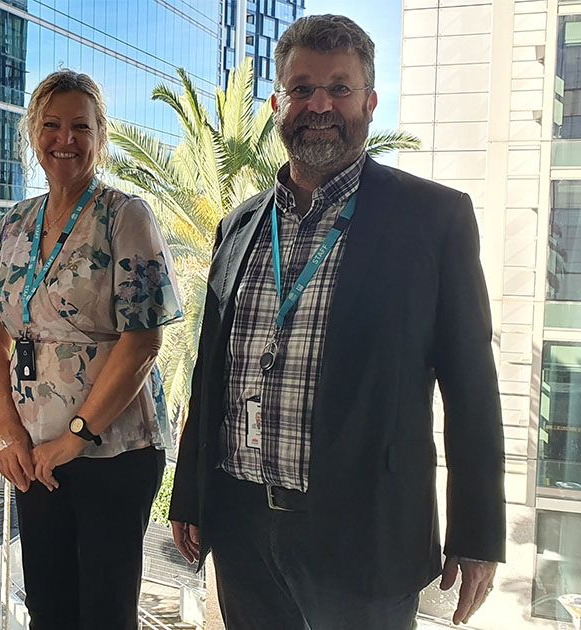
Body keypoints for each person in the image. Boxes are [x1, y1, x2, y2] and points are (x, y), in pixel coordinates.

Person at [168, 14, 505, 629]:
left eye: (339, 88)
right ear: (277, 104)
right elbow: (209, 371)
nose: (319, 105)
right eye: (301, 89)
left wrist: (477, 532)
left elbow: (473, 387)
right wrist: (189, 493)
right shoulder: (239, 225)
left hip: (364, 539)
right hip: (242, 531)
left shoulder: (433, 219)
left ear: (370, 102)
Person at [0, 69, 183, 630]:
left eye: (80, 127)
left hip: (113, 452)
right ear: (32, 133)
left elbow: (142, 341)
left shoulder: (125, 216)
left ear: (99, 136)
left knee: (104, 615)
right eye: (52, 125)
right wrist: (10, 432)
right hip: (35, 455)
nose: (65, 139)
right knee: (49, 606)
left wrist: (75, 436)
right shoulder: (15, 222)